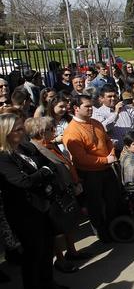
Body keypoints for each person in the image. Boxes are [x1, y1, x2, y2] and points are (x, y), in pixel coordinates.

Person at [0, 113, 68, 289]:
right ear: (6, 133)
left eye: (22, 127)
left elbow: (49, 166)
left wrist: (42, 174)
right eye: (18, 129)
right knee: (33, 254)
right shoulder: (3, 158)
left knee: (47, 248)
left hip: (43, 205)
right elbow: (23, 182)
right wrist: (42, 174)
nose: (23, 132)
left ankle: (48, 283)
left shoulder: (26, 147)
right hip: (24, 212)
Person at [25, 117, 90, 274]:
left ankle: (72, 251)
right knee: (58, 230)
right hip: (55, 194)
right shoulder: (36, 149)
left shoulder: (51, 144)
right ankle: (60, 260)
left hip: (66, 188)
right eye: (50, 129)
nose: (54, 132)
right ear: (41, 132)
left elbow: (65, 162)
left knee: (69, 223)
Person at [62, 95, 121, 243]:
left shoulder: (96, 123)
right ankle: (103, 234)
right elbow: (81, 158)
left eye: (91, 106)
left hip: (107, 169)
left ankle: (114, 227)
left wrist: (111, 154)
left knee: (113, 199)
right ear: (76, 109)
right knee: (94, 205)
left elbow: (107, 141)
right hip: (90, 174)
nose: (91, 109)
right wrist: (105, 160)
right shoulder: (72, 131)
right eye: (87, 106)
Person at [92, 84, 134, 150]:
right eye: (109, 96)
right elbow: (104, 128)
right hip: (116, 150)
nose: (113, 98)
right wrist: (116, 113)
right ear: (101, 99)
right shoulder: (98, 113)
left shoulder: (126, 108)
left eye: (114, 96)